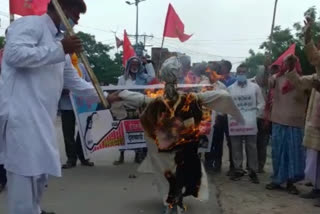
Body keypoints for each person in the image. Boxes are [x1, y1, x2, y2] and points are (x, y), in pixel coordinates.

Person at [0, 0, 103, 213]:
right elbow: (13, 55)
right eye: (75, 13)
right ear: (60, 8)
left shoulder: (58, 42)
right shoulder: (31, 25)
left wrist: (104, 98)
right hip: (20, 119)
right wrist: (60, 49)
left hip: (42, 121)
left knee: (39, 178)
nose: (77, 20)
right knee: (23, 183)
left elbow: (73, 81)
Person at [107, 56, 244, 213]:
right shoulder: (189, 98)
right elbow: (223, 96)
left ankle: (172, 200)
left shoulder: (156, 100)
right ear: (179, 76)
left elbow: (131, 97)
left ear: (162, 76)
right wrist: (237, 117)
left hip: (165, 143)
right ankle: (174, 199)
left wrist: (117, 95)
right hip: (179, 142)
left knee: (167, 170)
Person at [266, 55, 309, 195]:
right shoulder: (277, 78)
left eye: (291, 62)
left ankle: (291, 183)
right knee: (277, 153)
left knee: (294, 155)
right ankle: (277, 180)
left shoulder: (302, 80)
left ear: (296, 63)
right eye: (286, 62)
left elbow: (305, 93)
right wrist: (267, 68)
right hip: (278, 121)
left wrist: (291, 72)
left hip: (295, 123)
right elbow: (263, 82)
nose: (288, 64)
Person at [292, 18, 320, 207]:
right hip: (316, 122)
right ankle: (317, 189)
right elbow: (300, 82)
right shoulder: (317, 76)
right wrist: (290, 70)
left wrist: (308, 35)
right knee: (315, 157)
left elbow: (312, 55)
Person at [114, 56, 155, 165]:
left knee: (138, 132)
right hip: (125, 108)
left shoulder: (143, 77)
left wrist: (147, 63)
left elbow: (152, 76)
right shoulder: (122, 79)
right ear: (129, 66)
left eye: (137, 65)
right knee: (123, 132)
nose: (134, 66)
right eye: (132, 64)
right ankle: (121, 156)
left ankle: (138, 155)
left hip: (140, 108)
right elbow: (119, 92)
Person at [228, 64, 265, 183]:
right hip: (235, 122)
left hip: (250, 122)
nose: (241, 75)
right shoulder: (230, 89)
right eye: (239, 72)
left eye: (243, 72)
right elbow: (227, 105)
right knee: (236, 146)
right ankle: (238, 169)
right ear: (236, 73)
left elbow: (261, 103)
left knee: (252, 147)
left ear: (247, 73)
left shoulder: (255, 87)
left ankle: (253, 171)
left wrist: (255, 115)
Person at [60, 54, 94, 169]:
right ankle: (71, 158)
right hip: (67, 105)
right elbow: (55, 84)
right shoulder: (61, 66)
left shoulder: (81, 66)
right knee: (68, 133)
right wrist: (62, 90)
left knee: (84, 131)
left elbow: (90, 82)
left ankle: (83, 156)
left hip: (83, 104)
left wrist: (81, 88)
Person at [211, 60, 236, 174]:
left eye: (222, 67)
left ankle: (233, 165)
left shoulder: (233, 82)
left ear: (228, 68)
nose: (220, 69)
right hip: (218, 116)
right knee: (217, 141)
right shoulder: (217, 82)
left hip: (229, 115)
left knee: (231, 141)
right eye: (219, 67)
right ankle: (217, 164)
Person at [253, 63, 272, 173]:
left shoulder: (269, 86)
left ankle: (260, 166)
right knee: (252, 144)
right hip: (252, 118)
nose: (265, 77)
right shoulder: (250, 83)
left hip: (265, 119)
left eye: (267, 74)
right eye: (263, 74)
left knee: (263, 143)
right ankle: (252, 165)